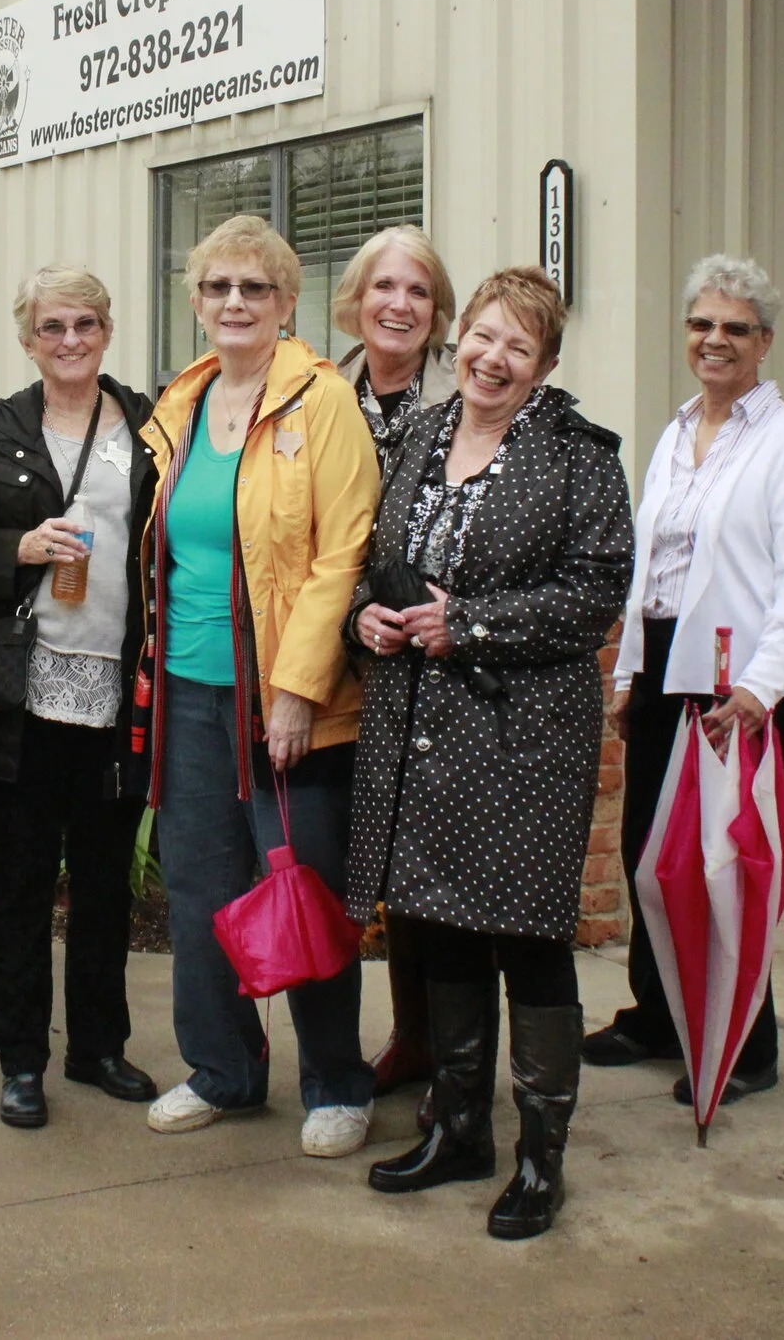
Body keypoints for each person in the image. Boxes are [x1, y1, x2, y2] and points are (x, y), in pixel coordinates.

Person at [345, 268, 633, 1239]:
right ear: (457, 337)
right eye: (482, 335)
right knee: (447, 927)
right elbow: (378, 564)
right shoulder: (421, 435)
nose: (493, 358)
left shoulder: (578, 455)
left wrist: (462, 624)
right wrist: (370, 618)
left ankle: (540, 1161)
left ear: (545, 364)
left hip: (524, 737)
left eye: (519, 345)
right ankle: (458, 1127)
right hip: (423, 731)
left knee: (528, 940)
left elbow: (594, 592)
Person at [139, 214, 381, 1158]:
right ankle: (223, 1070)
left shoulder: (321, 402)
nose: (234, 303)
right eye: (217, 288)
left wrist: (295, 688)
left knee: (303, 885)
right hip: (191, 691)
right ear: (195, 301)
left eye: (256, 288)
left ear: (288, 303)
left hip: (285, 697)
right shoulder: (184, 403)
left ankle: (334, 1081)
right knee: (199, 888)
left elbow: (341, 551)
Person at [582, 254, 784, 1108]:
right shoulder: (676, 429)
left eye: (734, 327)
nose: (714, 340)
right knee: (653, 860)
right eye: (702, 323)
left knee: (729, 866)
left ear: (764, 341)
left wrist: (759, 689)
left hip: (747, 690)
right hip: (667, 668)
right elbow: (649, 564)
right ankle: (658, 1015)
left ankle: (747, 1042)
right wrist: (627, 670)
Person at [0, 266, 161, 1130]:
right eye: (53, 327)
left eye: (87, 324)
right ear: (28, 339)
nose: (71, 340)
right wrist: (17, 547)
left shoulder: (149, 425)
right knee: (23, 885)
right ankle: (21, 1059)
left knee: (106, 883)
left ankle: (99, 1045)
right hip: (19, 690)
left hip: (117, 684)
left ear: (108, 331)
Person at [330, 224, 459, 1099]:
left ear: (438, 310)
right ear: (357, 300)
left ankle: (441, 1044)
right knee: (359, 856)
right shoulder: (319, 392)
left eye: (418, 291)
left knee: (432, 867)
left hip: (439, 657)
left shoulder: (468, 391)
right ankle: (400, 1037)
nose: (399, 305)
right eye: (385, 288)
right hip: (344, 648)